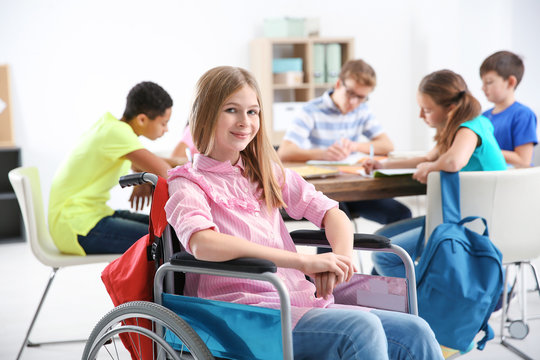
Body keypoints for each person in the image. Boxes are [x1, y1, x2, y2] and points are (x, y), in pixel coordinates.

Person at [165, 65, 443, 359]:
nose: (245, 122)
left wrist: (342, 260)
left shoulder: (266, 173)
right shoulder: (188, 181)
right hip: (240, 313)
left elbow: (332, 213)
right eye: (231, 110)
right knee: (361, 328)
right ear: (206, 114)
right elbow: (204, 243)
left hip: (296, 301)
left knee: (415, 330)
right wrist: (301, 262)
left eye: (253, 112)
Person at [364, 69, 507, 279]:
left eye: (427, 110)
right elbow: (428, 158)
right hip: (460, 217)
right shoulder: (458, 129)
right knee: (381, 239)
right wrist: (382, 164)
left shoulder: (470, 128)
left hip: (474, 224)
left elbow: (453, 161)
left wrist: (431, 168)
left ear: (450, 108)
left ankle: (420, 305)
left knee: (386, 255)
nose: (421, 115)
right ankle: (396, 300)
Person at [277, 59, 411, 227]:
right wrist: (324, 153)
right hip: (324, 190)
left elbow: (387, 146)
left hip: (353, 187)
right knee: (337, 221)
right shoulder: (310, 111)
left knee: (402, 214)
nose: (354, 102)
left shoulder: (362, 111)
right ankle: (333, 254)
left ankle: (387, 255)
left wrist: (355, 146)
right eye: (351, 94)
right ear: (339, 84)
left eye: (361, 98)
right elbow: (284, 152)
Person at [48, 81, 173, 255]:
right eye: (164, 123)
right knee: (167, 239)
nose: (166, 130)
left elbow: (148, 164)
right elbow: (164, 171)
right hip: (77, 225)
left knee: (168, 231)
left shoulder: (112, 127)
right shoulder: (118, 133)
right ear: (142, 119)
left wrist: (144, 179)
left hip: (88, 217)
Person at [480, 50, 538, 167]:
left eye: (489, 82)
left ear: (511, 82)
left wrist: (483, 150)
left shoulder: (523, 114)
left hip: (513, 181)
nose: (483, 88)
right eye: (483, 82)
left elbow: (523, 160)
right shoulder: (483, 117)